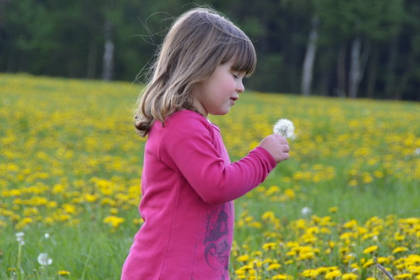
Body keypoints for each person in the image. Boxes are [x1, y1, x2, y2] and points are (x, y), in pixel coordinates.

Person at [121, 7, 290, 280]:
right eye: (234, 75)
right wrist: (263, 158)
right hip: (168, 271)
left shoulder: (195, 126)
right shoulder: (180, 126)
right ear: (200, 67)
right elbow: (216, 185)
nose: (241, 87)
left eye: (243, 78)